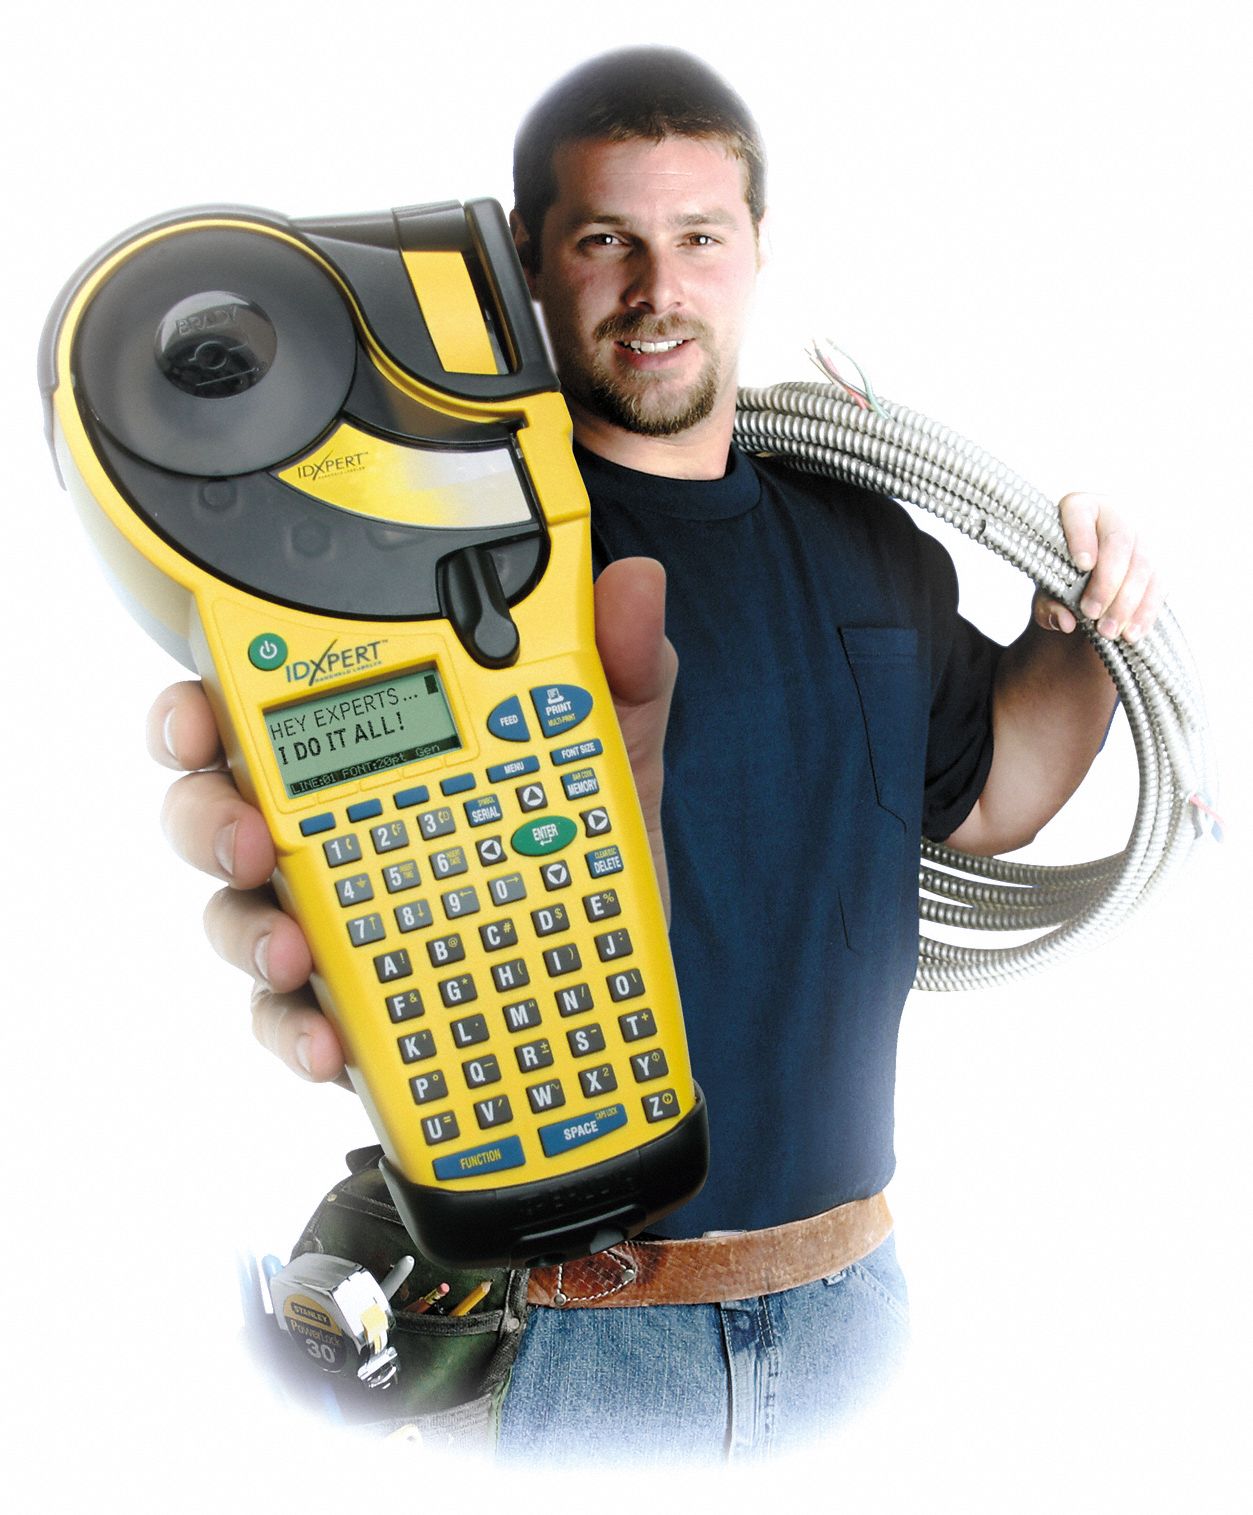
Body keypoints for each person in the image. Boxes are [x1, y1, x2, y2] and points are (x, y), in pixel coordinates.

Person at [148, 48, 1160, 1460]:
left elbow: (992, 796)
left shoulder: (865, 538)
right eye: (604, 241)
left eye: (698, 238)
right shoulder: (436, 561)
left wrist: (1084, 622)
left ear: (757, 249)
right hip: (560, 1331)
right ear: (523, 260)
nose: (656, 289)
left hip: (851, 1302)